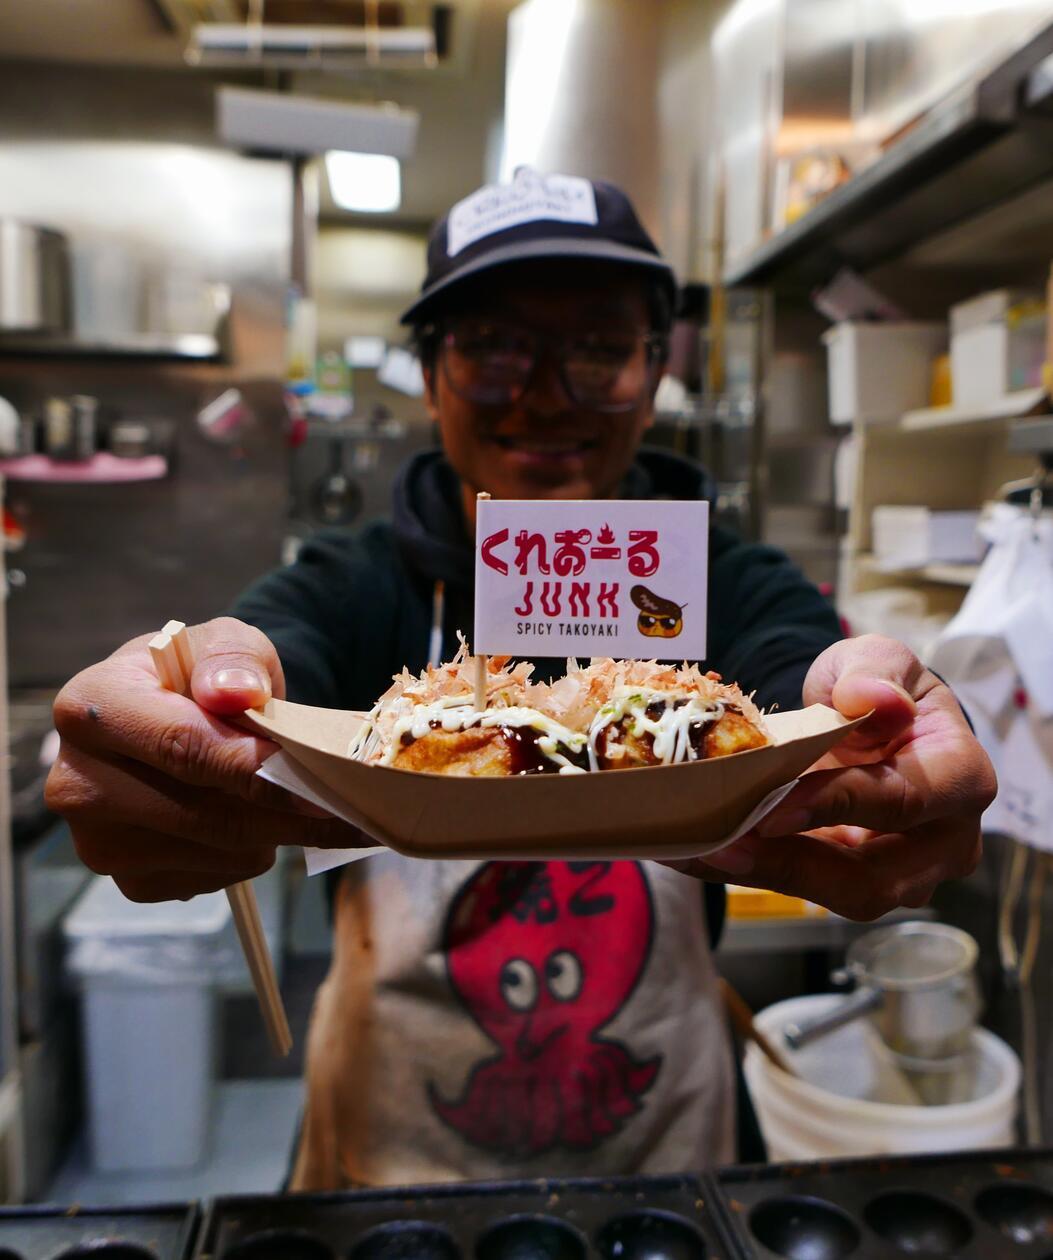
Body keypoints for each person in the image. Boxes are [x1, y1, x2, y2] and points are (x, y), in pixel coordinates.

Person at [46, 169, 995, 1189]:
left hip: (663, 1158)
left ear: (653, 368)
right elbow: (265, 660)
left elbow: (808, 674)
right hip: (390, 1163)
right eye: (493, 347)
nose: (545, 395)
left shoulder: (721, 582)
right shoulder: (354, 584)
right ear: (430, 370)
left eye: (598, 348)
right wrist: (190, 707)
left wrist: (876, 719)